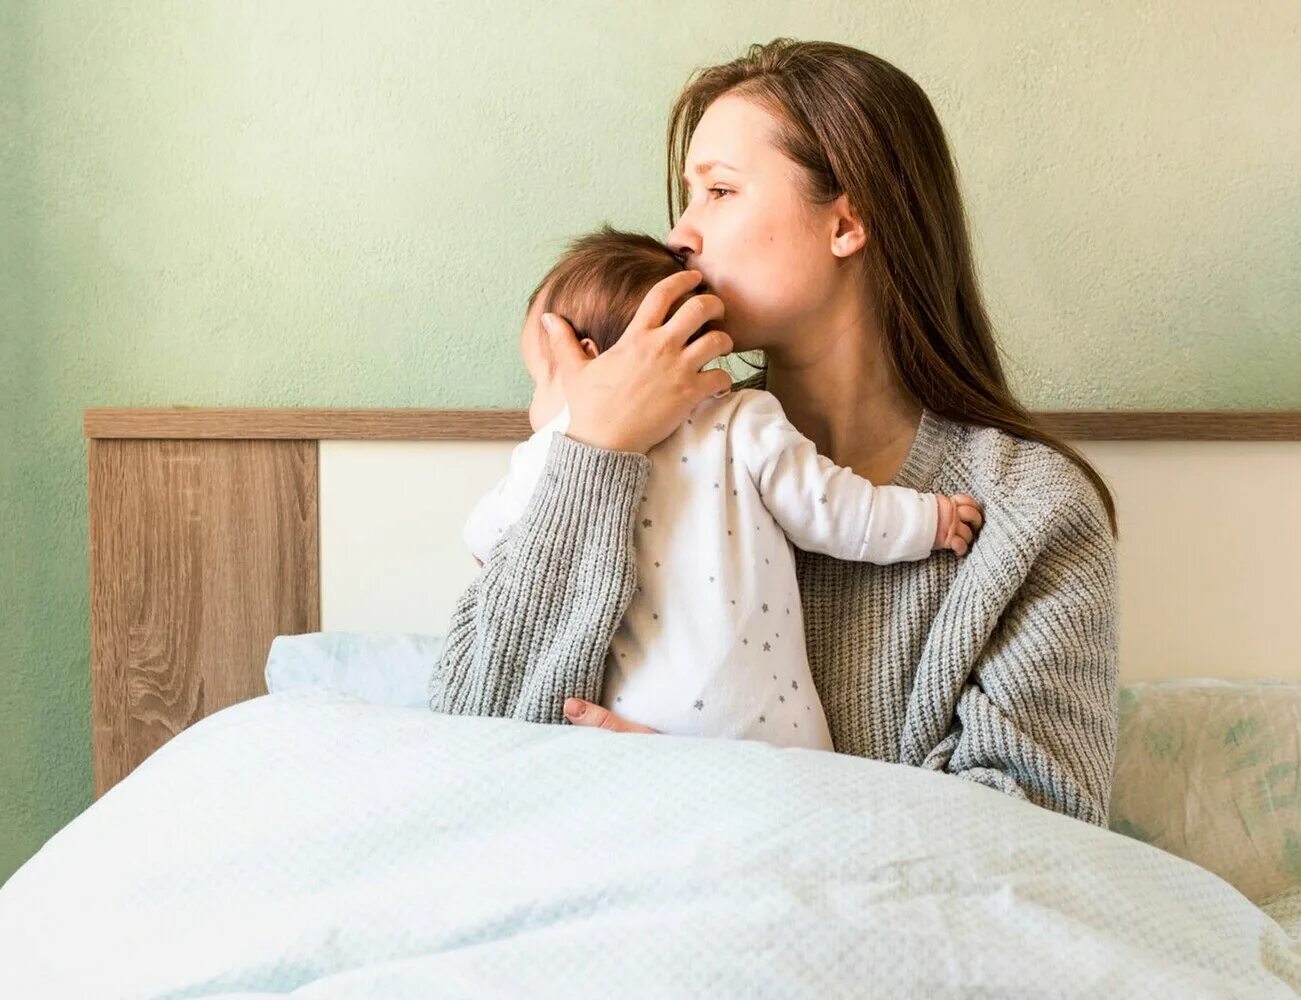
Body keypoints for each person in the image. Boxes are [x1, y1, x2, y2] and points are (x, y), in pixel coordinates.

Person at [427, 38, 1120, 827]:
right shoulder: (627, 450)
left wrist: (714, 786)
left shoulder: (1029, 512)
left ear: (846, 224)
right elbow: (471, 744)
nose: (681, 234)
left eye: (718, 191)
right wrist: (590, 451)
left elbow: (1039, 835)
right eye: (685, 198)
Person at [454, 226, 983, 751]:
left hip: (635, 737)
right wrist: (927, 522)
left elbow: (487, 547)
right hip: (782, 743)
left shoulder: (553, 453)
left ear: (586, 358)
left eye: (538, 379)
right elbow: (834, 509)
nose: (532, 405)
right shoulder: (745, 421)